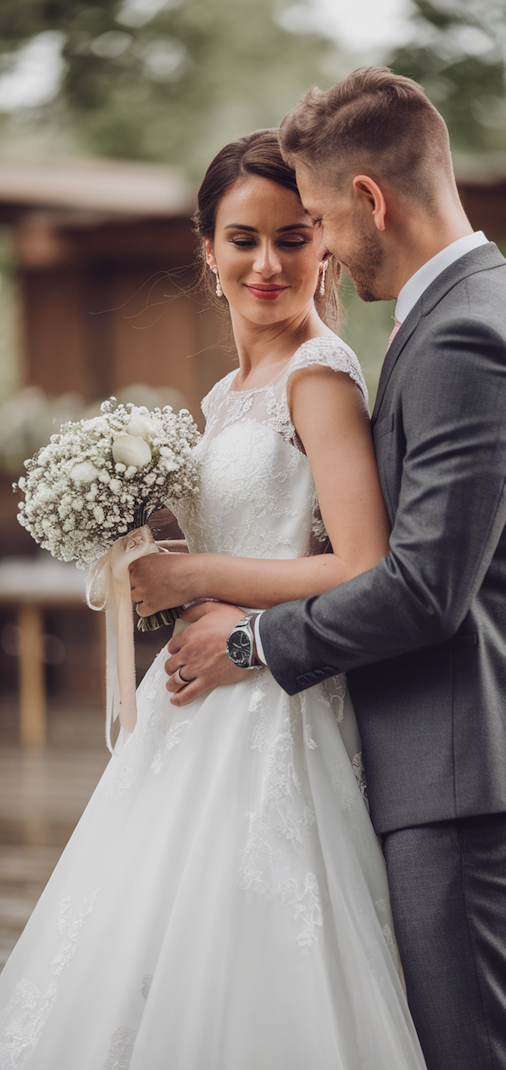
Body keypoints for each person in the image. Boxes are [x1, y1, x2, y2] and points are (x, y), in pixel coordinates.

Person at [165, 69, 506, 1070]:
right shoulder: (492, 306)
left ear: (369, 200)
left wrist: (248, 638)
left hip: (465, 766)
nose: (313, 246)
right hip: (485, 753)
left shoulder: (465, 339)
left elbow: (423, 589)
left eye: (314, 217)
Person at [0, 130, 427, 1070]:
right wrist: (163, 553)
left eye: (292, 237)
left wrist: (192, 577)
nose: (267, 264)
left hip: (272, 711)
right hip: (192, 704)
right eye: (243, 239)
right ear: (208, 251)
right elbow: (265, 540)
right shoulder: (232, 391)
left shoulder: (317, 379)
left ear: (324, 246)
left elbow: (363, 564)